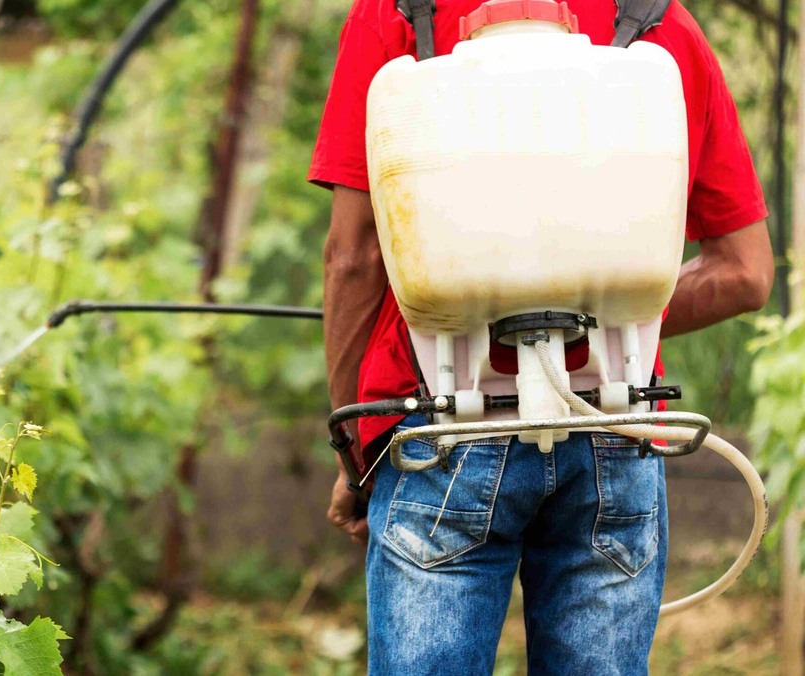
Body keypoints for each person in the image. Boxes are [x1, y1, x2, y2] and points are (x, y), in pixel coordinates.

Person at [310, 0, 774, 672]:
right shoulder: (659, 22)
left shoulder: (400, 13)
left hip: (441, 428)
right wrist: (590, 313)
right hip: (616, 424)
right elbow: (746, 272)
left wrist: (353, 452)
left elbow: (355, 258)